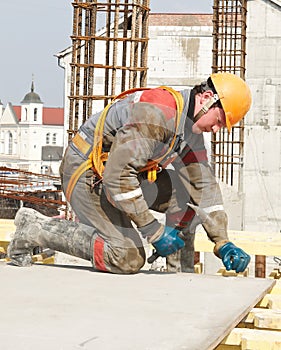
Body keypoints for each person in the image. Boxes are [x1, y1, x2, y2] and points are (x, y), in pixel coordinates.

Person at [8, 72, 252, 274]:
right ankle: (35, 229)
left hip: (118, 176)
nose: (217, 130)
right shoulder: (157, 112)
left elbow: (203, 186)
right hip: (86, 173)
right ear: (206, 98)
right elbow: (119, 176)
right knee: (127, 258)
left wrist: (223, 242)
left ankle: (178, 274)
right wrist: (154, 232)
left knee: (184, 191)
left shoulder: (190, 130)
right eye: (220, 120)